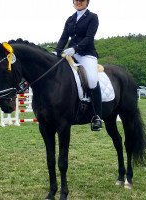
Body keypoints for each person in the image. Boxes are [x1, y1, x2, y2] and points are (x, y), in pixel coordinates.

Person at [54, 0, 102, 131]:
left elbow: (89, 37)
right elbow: (64, 37)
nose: (79, 2)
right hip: (70, 53)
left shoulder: (93, 17)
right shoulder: (70, 19)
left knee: (92, 81)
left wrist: (75, 48)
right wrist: (57, 51)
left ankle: (97, 116)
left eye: (82, 0)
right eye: (77, 0)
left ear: (87, 2)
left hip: (86, 54)